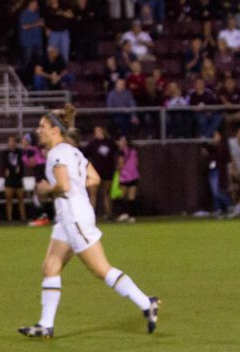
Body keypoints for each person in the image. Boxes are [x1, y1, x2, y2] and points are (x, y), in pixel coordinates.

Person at [18, 105, 159, 339]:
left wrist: (46, 189)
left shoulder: (57, 153)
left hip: (74, 219)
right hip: (69, 218)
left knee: (101, 269)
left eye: (42, 126)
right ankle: (45, 325)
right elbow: (92, 178)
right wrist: (74, 193)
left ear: (55, 130)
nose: (38, 131)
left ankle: (146, 302)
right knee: (50, 267)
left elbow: (63, 186)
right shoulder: (73, 152)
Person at [83, 125, 118, 221]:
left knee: (106, 193)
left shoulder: (110, 143)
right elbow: (84, 154)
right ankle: (90, 216)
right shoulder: (92, 144)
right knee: (92, 195)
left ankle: (109, 215)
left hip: (108, 172)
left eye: (99, 130)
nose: (97, 133)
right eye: (95, 131)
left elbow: (116, 154)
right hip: (95, 173)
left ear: (103, 131)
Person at [2, 135, 27, 223]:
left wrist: (19, 167)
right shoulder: (4, 153)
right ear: (7, 143)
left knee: (21, 199)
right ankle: (9, 218)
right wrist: (6, 169)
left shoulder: (20, 152)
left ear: (16, 143)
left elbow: (23, 162)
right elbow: (3, 165)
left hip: (18, 178)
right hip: (9, 179)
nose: (12, 143)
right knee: (9, 200)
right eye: (10, 141)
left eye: (13, 141)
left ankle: (23, 218)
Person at [116, 135, 139, 222]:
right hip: (134, 176)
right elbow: (137, 163)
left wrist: (117, 168)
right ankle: (131, 216)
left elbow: (121, 164)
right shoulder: (134, 151)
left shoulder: (121, 152)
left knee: (122, 196)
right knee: (131, 197)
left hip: (125, 177)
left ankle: (124, 214)